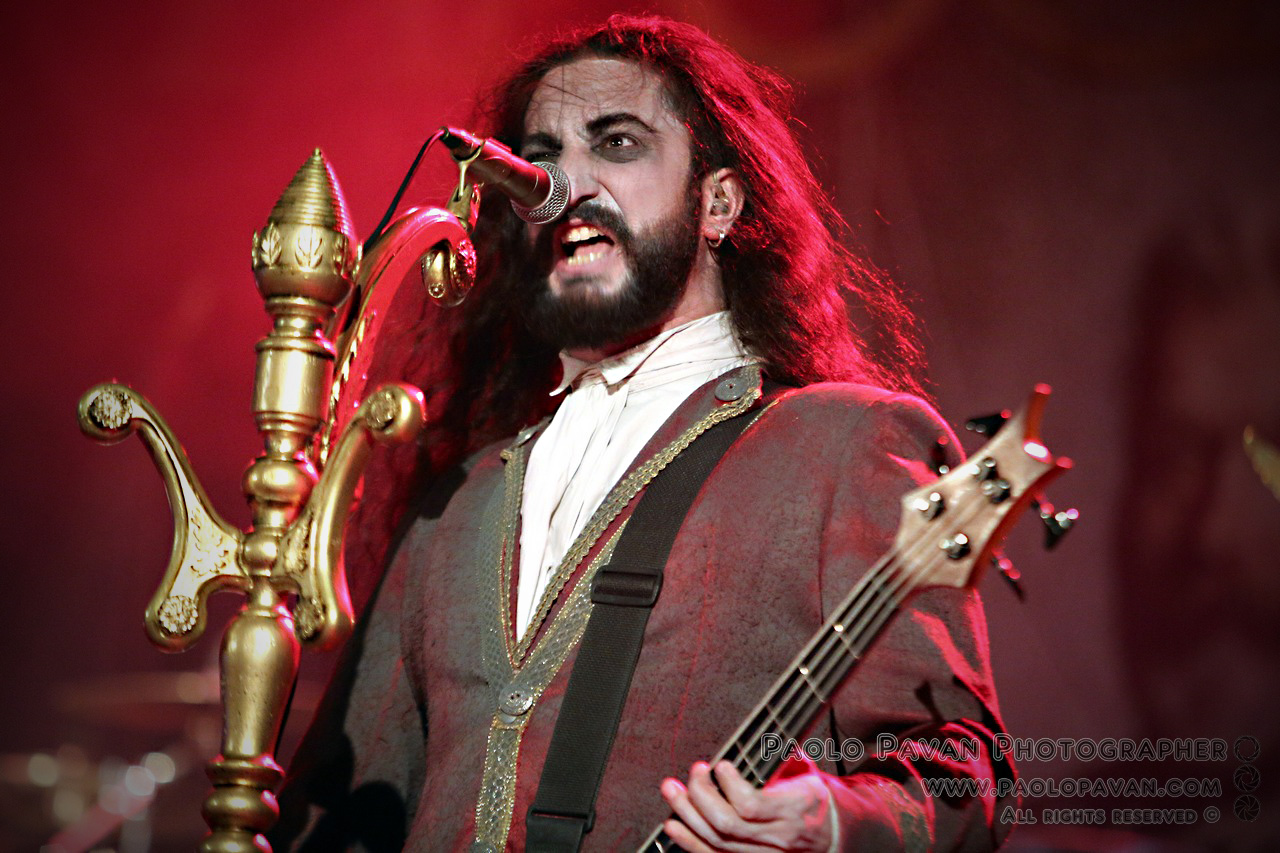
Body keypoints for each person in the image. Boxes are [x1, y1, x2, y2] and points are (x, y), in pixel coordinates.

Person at [274, 15, 1014, 851]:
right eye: (541, 156)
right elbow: (340, 815)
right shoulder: (458, 497)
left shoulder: (846, 444)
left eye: (617, 144)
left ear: (718, 202)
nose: (563, 187)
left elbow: (960, 774)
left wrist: (833, 822)